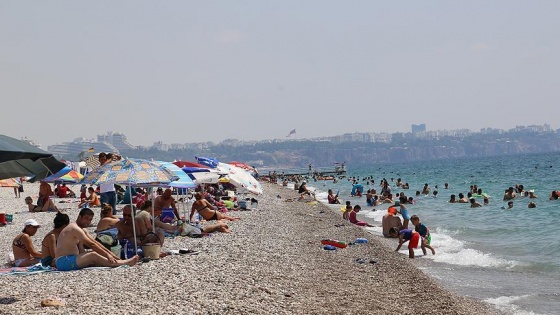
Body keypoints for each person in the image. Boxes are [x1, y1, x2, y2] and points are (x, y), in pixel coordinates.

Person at [55, 208, 138, 271]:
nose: (88, 222)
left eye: (90, 219)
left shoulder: (82, 229)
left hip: (71, 259)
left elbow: (95, 242)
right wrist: (108, 256)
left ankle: (118, 261)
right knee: (93, 255)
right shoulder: (74, 228)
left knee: (93, 255)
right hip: (63, 261)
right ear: (79, 217)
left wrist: (112, 255)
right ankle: (122, 263)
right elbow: (91, 245)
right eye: (86, 218)